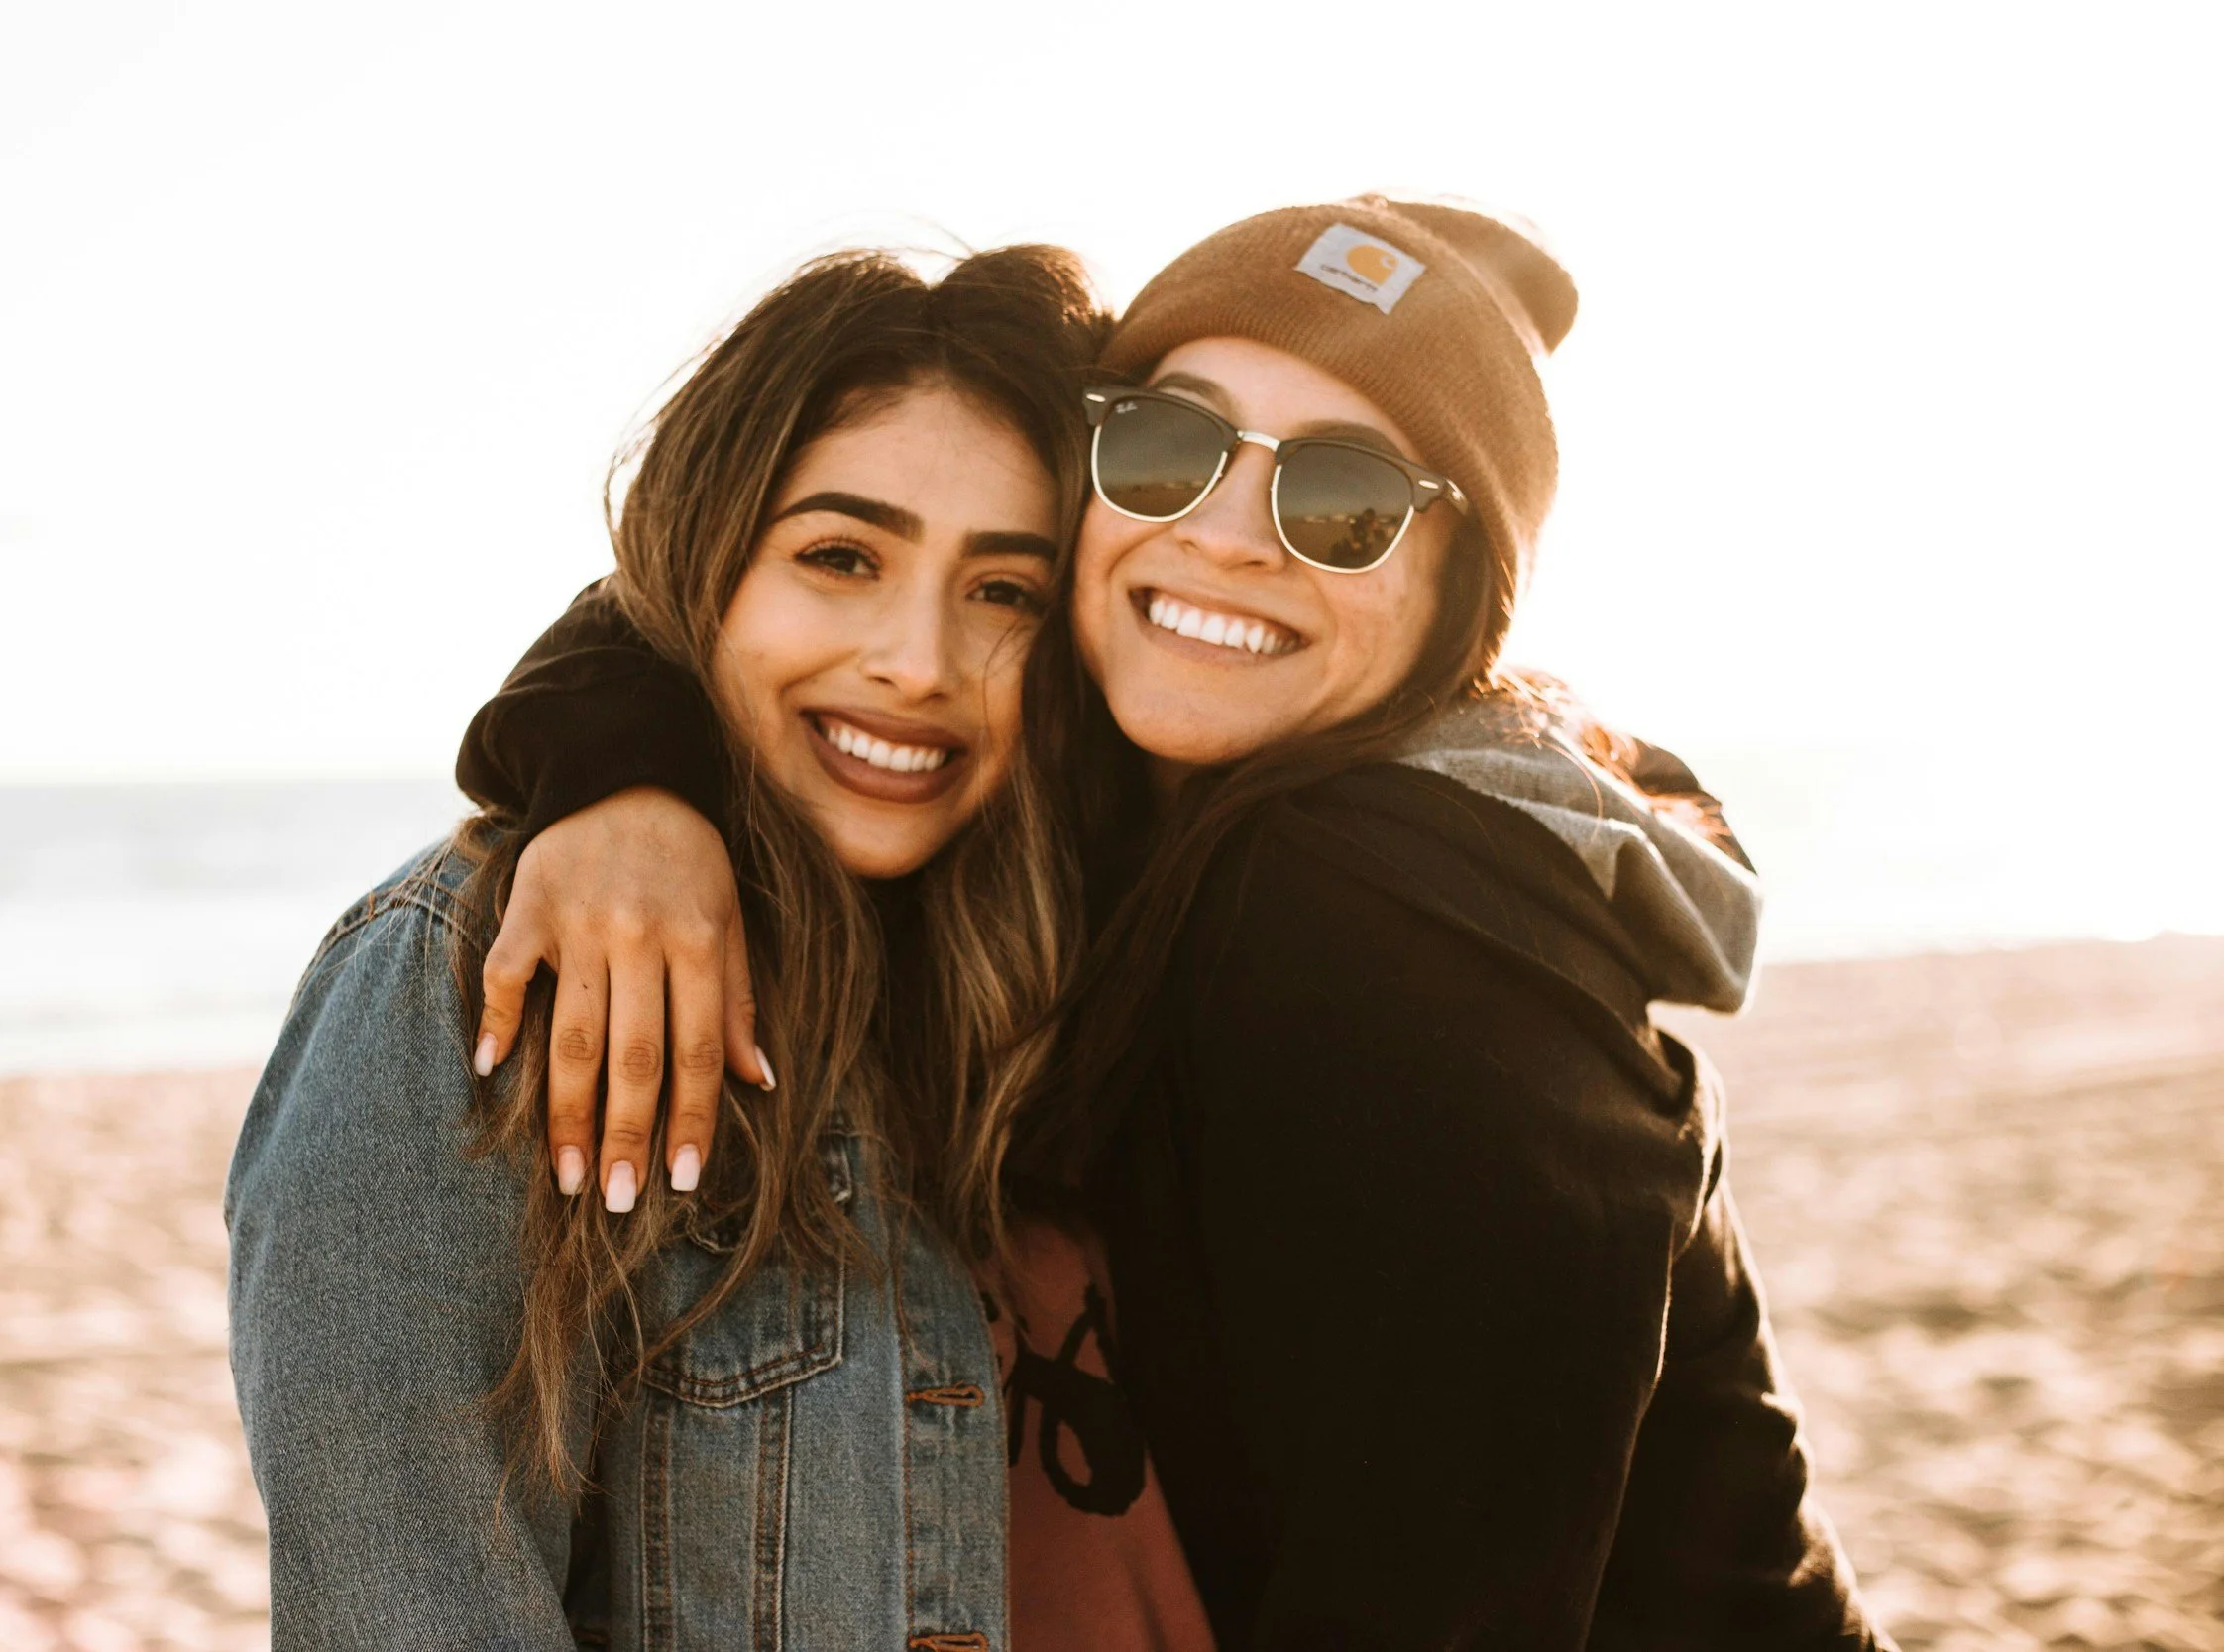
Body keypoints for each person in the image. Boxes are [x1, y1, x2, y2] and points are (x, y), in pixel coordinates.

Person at [452, 196, 1895, 1649]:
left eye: (1342, 500)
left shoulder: (1388, 923)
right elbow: (733, 561)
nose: (1224, 537)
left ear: (1465, 591)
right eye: (1165, 447)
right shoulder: (1133, 785)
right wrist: (629, 779)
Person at [225, 244, 1215, 1649]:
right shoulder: (470, 980)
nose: (919, 660)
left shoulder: (1048, 974)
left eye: (1006, 591)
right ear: (708, 560)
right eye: (839, 556)